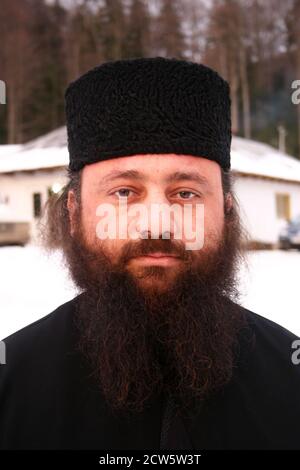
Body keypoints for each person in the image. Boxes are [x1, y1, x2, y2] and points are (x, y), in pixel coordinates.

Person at [0, 57, 300, 450]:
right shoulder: (11, 383)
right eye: (124, 192)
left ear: (226, 213)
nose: (157, 224)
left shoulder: (289, 378)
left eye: (186, 194)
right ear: (73, 213)